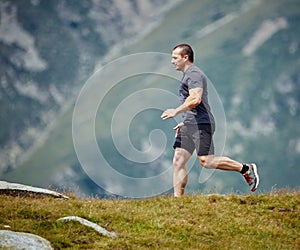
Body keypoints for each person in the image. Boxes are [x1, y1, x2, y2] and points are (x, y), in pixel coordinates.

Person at [161, 44, 259, 197]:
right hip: (190, 123)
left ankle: (245, 168)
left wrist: (176, 111)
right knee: (178, 160)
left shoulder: (194, 74)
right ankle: (177, 201)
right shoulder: (187, 75)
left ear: (185, 57)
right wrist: (185, 120)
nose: (172, 61)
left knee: (206, 161)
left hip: (201, 123)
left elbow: (195, 99)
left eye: (175, 58)